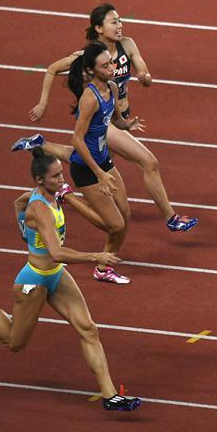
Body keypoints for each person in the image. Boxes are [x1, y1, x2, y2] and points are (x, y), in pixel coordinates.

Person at [0, 148, 141, 411]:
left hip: (55, 276)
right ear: (39, 180)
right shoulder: (39, 208)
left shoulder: (44, 197)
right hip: (33, 281)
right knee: (14, 342)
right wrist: (95, 256)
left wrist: (24, 226)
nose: (62, 179)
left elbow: (17, 204)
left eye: (61, 173)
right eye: (56, 176)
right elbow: (56, 253)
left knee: (88, 329)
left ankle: (110, 396)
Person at [22, 3, 198, 233]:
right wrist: (43, 103)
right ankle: (171, 217)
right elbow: (52, 69)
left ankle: (41, 145)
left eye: (120, 20)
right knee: (148, 162)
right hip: (103, 122)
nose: (119, 25)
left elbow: (143, 71)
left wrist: (145, 77)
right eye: (113, 22)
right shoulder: (89, 56)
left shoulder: (128, 44)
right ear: (99, 28)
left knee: (89, 157)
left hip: (119, 117)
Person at [64, 41, 143, 284]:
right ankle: (66, 195)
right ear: (91, 70)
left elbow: (115, 120)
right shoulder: (90, 98)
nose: (112, 68)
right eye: (105, 65)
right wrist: (99, 174)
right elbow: (76, 140)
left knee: (125, 215)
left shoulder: (111, 86)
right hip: (86, 168)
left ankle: (104, 266)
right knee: (116, 224)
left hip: (103, 161)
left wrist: (127, 125)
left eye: (111, 62)